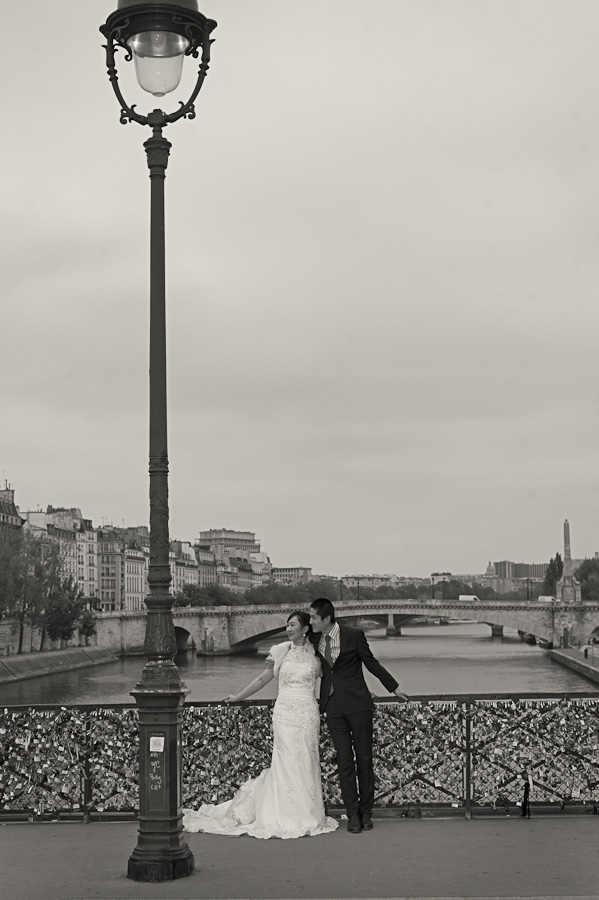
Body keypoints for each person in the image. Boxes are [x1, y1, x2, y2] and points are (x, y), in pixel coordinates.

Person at [182, 610, 338, 840]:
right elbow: (262, 679)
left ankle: (308, 814)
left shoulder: (318, 652)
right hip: (284, 713)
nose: (287, 628)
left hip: (307, 713)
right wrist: (239, 697)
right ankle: (284, 813)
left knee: (306, 761)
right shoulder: (279, 651)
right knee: (286, 764)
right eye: (286, 625)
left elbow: (335, 678)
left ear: (305, 629)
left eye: (292, 625)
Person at [309, 597, 409, 834]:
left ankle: (366, 812)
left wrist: (393, 688)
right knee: (344, 762)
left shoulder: (353, 635)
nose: (311, 621)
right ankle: (352, 814)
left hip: (358, 704)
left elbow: (370, 663)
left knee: (364, 760)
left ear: (326, 618)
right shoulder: (313, 638)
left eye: (314, 617)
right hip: (332, 707)